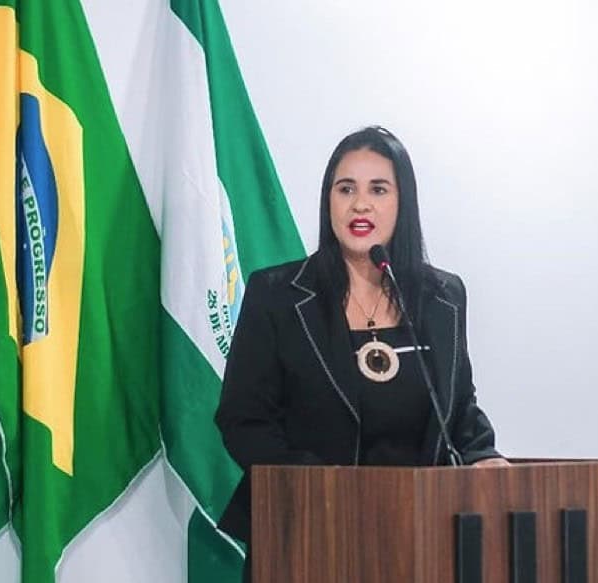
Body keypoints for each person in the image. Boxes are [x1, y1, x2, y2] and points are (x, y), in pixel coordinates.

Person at [215, 126, 506, 581]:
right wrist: (321, 486)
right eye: (346, 188)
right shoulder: (278, 296)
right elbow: (243, 420)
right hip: (305, 535)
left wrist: (483, 456)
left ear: (403, 202)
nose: (360, 204)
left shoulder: (442, 297)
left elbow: (459, 407)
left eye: (378, 189)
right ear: (328, 200)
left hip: (420, 540)